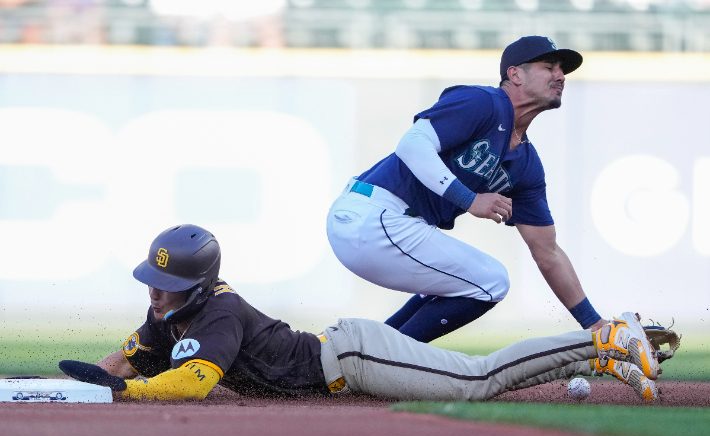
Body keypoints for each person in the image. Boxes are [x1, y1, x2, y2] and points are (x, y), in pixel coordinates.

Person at [59, 224, 660, 403]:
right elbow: (127, 359)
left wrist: (121, 393)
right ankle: (605, 357)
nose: (154, 294)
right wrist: (95, 380)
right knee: (480, 378)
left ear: (197, 284)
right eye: (153, 282)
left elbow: (189, 386)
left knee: (478, 380)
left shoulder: (219, 312)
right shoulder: (167, 319)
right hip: (345, 359)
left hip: (352, 358)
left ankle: (606, 337)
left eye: (166, 285)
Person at [326, 36, 605, 344]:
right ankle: (380, 361)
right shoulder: (483, 103)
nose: (560, 76)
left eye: (562, 70)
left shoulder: (526, 165)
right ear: (515, 75)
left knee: (463, 280)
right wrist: (468, 198)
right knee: (491, 281)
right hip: (375, 214)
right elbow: (411, 144)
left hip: (390, 224)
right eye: (548, 66)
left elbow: (547, 252)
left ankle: (357, 351)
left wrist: (594, 325)